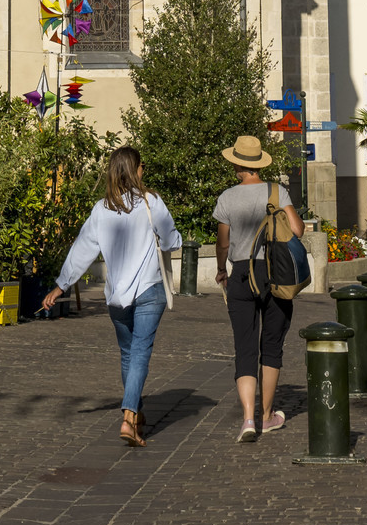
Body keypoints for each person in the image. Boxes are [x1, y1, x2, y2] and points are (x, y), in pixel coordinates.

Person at [44, 145, 181, 447]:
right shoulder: (151, 202)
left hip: (116, 295)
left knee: (128, 353)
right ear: (136, 170)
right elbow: (171, 241)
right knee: (141, 352)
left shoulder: (100, 209)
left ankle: (136, 413)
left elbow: (82, 249)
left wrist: (61, 285)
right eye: (141, 165)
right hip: (149, 288)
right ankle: (129, 414)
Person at [214, 132, 305, 442]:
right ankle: (267, 416)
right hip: (275, 274)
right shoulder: (277, 191)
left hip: (241, 274)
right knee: (272, 346)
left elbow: (223, 243)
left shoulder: (227, 197)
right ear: (259, 164)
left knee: (245, 347)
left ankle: (248, 419)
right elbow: (297, 229)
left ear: (237, 165)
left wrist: (220, 269)